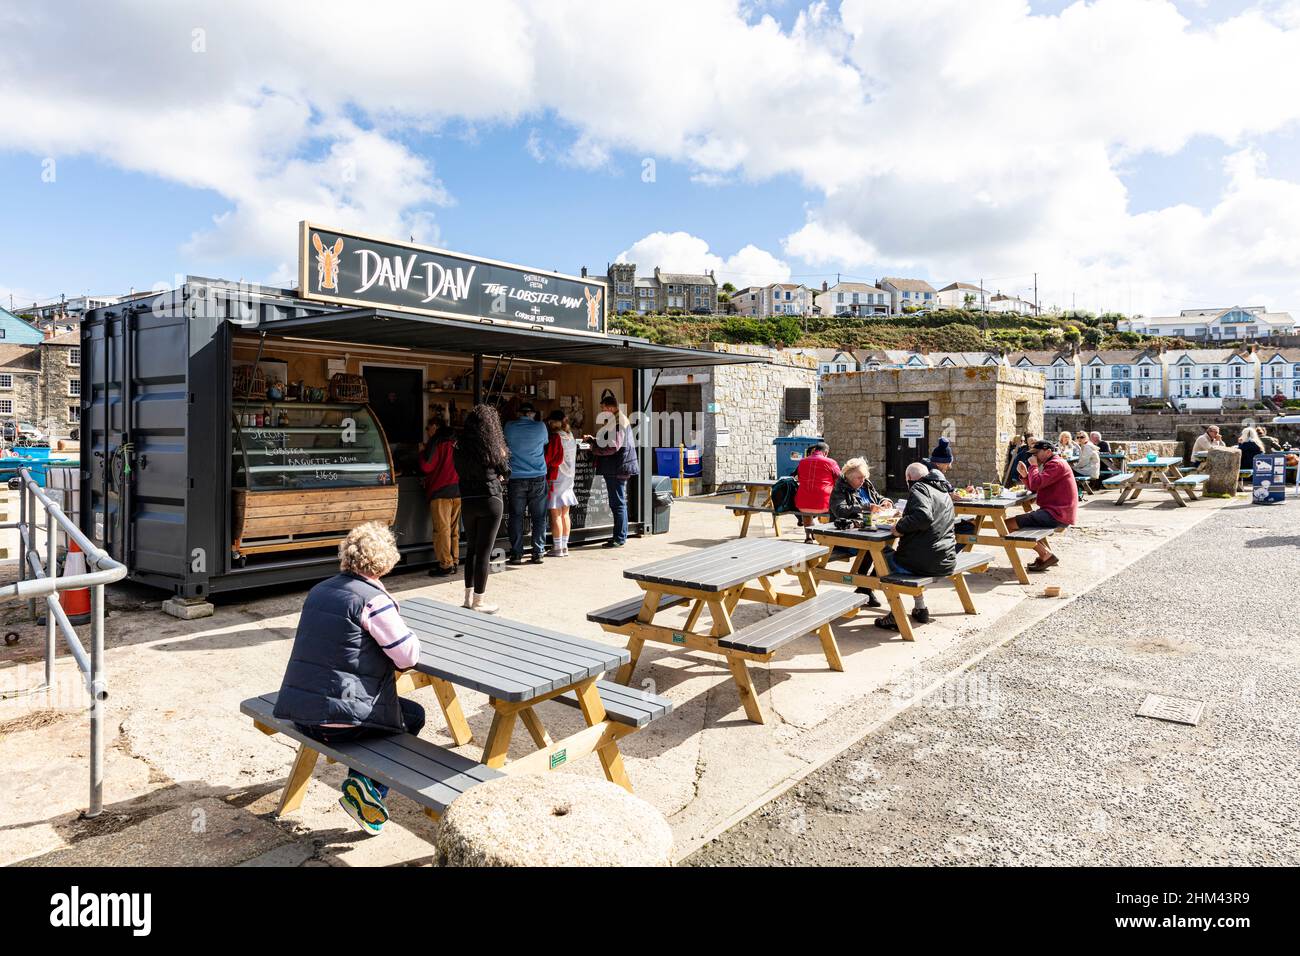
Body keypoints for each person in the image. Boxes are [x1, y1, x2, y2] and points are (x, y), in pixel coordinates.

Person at [273, 522, 423, 836]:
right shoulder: (373, 601)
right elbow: (407, 657)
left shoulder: (320, 590)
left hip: (301, 710)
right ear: (386, 562)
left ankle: (364, 784)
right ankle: (367, 789)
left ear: (347, 556)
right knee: (411, 717)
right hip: (339, 723)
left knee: (386, 709)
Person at [875, 461, 957, 631]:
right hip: (946, 559)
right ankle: (920, 608)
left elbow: (923, 516)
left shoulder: (919, 488)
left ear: (909, 478)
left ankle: (895, 615)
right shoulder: (943, 492)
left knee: (879, 558)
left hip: (924, 562)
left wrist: (899, 527)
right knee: (901, 557)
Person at [454, 404, 510, 613]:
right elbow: (506, 471)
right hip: (490, 498)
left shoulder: (459, 447)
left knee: (471, 549)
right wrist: (503, 458)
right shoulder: (491, 446)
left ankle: (468, 598)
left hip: (467, 499)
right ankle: (479, 601)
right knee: (484, 552)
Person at [829, 457, 892, 607]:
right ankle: (865, 587)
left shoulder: (866, 485)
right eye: (859, 478)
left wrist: (886, 501)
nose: (862, 480)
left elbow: (878, 498)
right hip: (845, 536)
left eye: (864, 477)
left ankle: (865, 587)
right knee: (877, 549)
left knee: (886, 550)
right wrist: (865, 507)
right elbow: (839, 510)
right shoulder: (840, 489)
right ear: (849, 477)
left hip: (868, 531)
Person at [1006, 440, 1077, 572]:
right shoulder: (1053, 463)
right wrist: (1025, 476)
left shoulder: (1055, 464)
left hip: (1056, 514)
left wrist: (1032, 467)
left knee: (1007, 525)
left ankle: (1045, 555)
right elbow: (1036, 487)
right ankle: (1046, 554)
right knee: (1015, 523)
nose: (1033, 456)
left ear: (1048, 451)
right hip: (1057, 512)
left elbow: (1036, 485)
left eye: (1037, 453)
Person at [587, 394, 639, 548]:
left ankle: (619, 538)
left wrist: (594, 448)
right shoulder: (617, 420)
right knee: (618, 503)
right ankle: (619, 536)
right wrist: (595, 440)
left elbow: (613, 446)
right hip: (618, 467)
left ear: (610, 408)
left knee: (618, 504)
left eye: (603, 408)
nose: (602, 411)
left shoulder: (617, 423)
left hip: (617, 467)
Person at [503, 402, 550, 565]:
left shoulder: (509, 427)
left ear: (518, 414)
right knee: (539, 516)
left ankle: (516, 554)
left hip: (516, 477)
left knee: (516, 516)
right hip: (538, 476)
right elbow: (545, 443)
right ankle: (538, 553)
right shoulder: (541, 427)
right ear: (532, 414)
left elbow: (505, 445)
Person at [419, 420, 460, 577]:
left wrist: (422, 452)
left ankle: (445, 565)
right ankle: (454, 561)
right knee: (453, 529)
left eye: (428, 428)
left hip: (440, 493)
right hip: (458, 491)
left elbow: (426, 467)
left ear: (436, 429)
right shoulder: (457, 444)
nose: (428, 431)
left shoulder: (437, 444)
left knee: (442, 530)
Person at [544, 409, 578, 556]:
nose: (549, 424)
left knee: (555, 513)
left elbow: (550, 458)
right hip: (569, 477)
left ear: (555, 422)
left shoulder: (555, 437)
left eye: (551, 421)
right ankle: (564, 546)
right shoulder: (570, 436)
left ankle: (557, 548)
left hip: (556, 477)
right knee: (565, 513)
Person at [793, 441, 840, 542]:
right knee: (838, 508)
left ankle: (808, 537)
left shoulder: (802, 461)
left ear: (815, 451)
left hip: (802, 504)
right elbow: (839, 479)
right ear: (826, 452)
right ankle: (827, 537)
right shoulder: (831, 462)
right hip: (823, 505)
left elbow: (799, 478)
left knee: (806, 510)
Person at [1073, 431, 1100, 495]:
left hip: (1089, 471)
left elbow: (1084, 462)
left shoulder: (1087, 447)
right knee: (1070, 471)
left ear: (1087, 438)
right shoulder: (1087, 445)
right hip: (1091, 470)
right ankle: (1075, 491)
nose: (1079, 439)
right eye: (1078, 437)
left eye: (1082, 437)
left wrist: (1075, 467)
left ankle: (1073, 492)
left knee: (1069, 471)